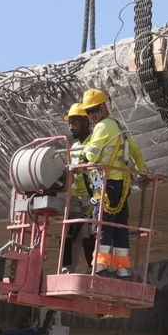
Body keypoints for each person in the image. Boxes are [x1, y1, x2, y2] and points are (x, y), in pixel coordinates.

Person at [79, 87, 146, 278]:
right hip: (122, 186)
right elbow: (135, 151)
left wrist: (83, 154)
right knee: (119, 227)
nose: (91, 115)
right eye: (88, 112)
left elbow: (92, 155)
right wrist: (142, 173)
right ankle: (122, 268)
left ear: (103, 107)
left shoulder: (102, 127)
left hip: (106, 185)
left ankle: (100, 267)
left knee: (102, 225)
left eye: (93, 110)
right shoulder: (120, 126)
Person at [62, 102, 95, 271]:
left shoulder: (94, 142)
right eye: (69, 123)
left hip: (92, 197)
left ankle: (93, 269)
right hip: (76, 198)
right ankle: (66, 270)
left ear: (85, 122)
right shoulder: (74, 147)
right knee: (69, 234)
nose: (70, 127)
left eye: (74, 123)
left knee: (89, 233)